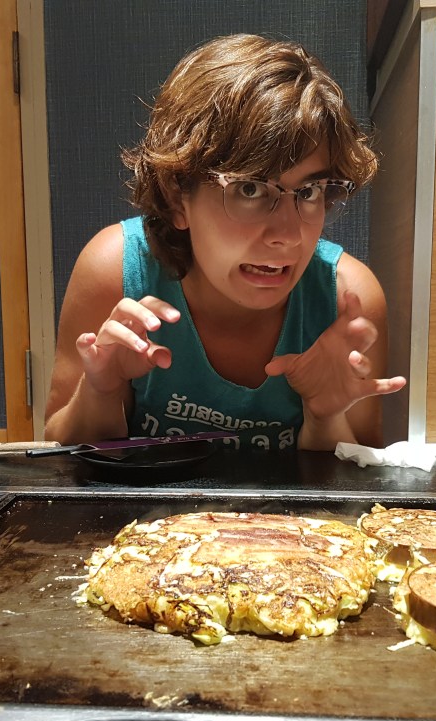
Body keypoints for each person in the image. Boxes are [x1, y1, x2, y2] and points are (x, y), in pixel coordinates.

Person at [44, 33, 405, 451]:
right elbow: (59, 460)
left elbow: (360, 480)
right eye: (250, 190)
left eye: (309, 192)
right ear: (177, 197)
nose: (288, 235)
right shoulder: (116, 273)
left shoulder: (346, 301)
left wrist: (326, 418)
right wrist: (101, 390)